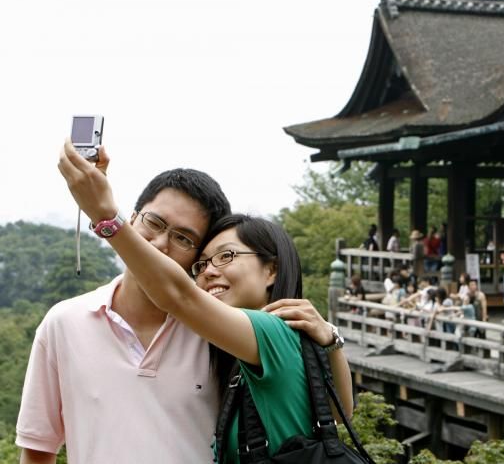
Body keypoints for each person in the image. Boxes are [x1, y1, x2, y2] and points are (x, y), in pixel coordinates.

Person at [49, 143, 353, 463]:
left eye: (226, 256)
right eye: (202, 263)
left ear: (271, 270)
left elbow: (178, 296)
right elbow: (342, 411)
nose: (209, 272)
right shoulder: (240, 350)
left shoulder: (271, 331)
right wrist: (332, 341)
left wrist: (106, 216)